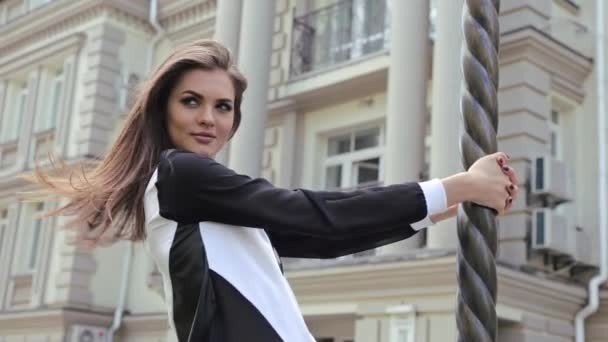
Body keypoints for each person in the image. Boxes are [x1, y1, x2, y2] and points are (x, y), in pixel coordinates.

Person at [21, 39, 519, 342]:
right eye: (192, 101)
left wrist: (436, 209)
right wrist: (459, 183)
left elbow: (324, 239)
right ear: (163, 108)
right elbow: (309, 211)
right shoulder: (181, 174)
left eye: (223, 107)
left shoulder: (204, 201)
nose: (208, 118)